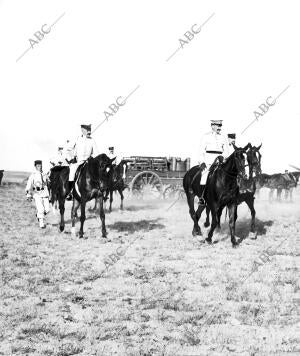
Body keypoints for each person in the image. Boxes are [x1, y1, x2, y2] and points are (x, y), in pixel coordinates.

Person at [198, 120, 230, 205]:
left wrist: (222, 156)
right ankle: (201, 198)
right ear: (212, 126)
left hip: (220, 161)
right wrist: (202, 162)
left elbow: (226, 151)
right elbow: (201, 150)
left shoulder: (223, 137)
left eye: (220, 126)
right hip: (208, 161)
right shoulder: (205, 136)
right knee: (204, 176)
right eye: (218, 125)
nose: (219, 127)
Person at [66, 124, 98, 200]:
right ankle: (70, 192)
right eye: (88, 130)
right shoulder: (77, 139)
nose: (89, 131)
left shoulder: (92, 140)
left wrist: (92, 158)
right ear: (83, 130)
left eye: (90, 130)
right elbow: (67, 149)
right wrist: (70, 158)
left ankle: (99, 190)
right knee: (72, 172)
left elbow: (96, 152)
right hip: (78, 162)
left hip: (89, 162)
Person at [25, 160, 50, 228]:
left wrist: (48, 180)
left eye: (40, 166)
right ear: (35, 166)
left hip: (44, 193)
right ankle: (41, 223)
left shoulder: (44, 174)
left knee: (47, 209)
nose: (39, 167)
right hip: (37, 193)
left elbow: (48, 182)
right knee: (41, 209)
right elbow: (29, 184)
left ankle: (39, 215)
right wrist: (28, 194)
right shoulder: (33, 175)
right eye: (38, 166)